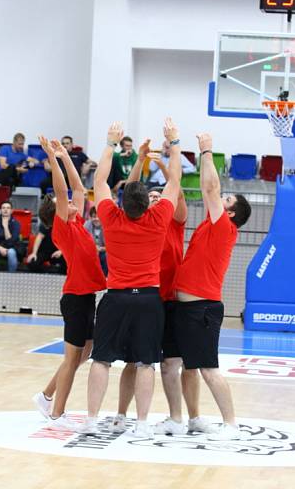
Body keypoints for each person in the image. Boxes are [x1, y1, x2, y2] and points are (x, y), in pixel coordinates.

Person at [79, 118, 180, 438]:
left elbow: (100, 179)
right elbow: (175, 181)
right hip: (149, 299)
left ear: (122, 203)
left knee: (101, 360)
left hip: (115, 297)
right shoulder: (159, 218)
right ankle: (141, 425)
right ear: (148, 206)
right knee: (146, 363)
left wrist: (110, 142)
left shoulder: (109, 216)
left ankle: (92, 420)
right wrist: (173, 144)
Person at [109, 139, 209, 436]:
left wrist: (164, 165)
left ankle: (183, 417)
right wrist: (142, 162)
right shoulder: (139, 220)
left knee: (174, 364)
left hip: (171, 300)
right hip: (145, 297)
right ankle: (120, 414)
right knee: (133, 362)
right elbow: (131, 193)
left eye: (158, 194)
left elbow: (174, 185)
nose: (154, 197)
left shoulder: (173, 219)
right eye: (150, 196)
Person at [172, 132, 252, 440]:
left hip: (202, 308)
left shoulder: (225, 228)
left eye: (227, 200)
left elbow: (210, 187)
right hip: (184, 306)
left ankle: (231, 424)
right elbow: (209, 193)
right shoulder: (210, 221)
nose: (221, 198)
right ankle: (193, 418)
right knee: (186, 368)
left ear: (230, 213)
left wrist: (206, 152)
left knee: (208, 369)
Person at [32, 136, 107, 428]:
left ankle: (46, 395)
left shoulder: (76, 221)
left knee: (83, 354)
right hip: (75, 298)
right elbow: (62, 190)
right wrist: (52, 159)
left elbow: (77, 188)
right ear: (57, 212)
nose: (69, 202)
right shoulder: (62, 228)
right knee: (72, 357)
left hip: (87, 295)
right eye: (59, 203)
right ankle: (56, 414)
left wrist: (64, 155)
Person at [25, 208, 67, 274]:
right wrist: (34, 253)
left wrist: (61, 251)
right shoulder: (47, 223)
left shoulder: (66, 224)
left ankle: (59, 276)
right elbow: (39, 237)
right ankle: (45, 274)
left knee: (68, 265)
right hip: (45, 251)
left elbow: (69, 241)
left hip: (59, 252)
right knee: (32, 263)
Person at [0, 201, 22, 272]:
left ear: (12, 211)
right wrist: (0, 248)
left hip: (12, 247)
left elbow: (12, 241)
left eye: (8, 208)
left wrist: (5, 227)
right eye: (3, 208)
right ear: (0, 210)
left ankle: (11, 275)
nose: (5, 210)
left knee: (11, 253)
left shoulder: (16, 224)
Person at [84, 206, 107, 275]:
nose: (96, 219)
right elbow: (83, 241)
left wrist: (101, 249)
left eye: (98, 216)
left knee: (106, 257)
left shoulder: (107, 226)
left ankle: (105, 277)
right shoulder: (87, 225)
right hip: (91, 250)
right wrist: (93, 248)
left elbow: (113, 246)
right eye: (94, 217)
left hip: (105, 251)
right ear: (90, 217)